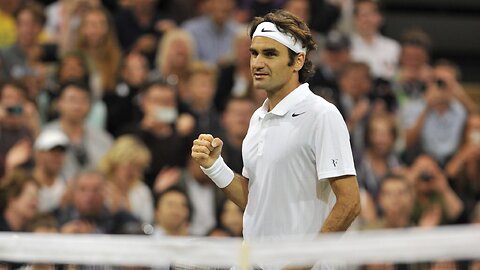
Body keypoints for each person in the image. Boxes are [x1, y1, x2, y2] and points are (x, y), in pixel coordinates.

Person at [191, 10, 360, 244]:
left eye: (270, 54)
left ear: (298, 61)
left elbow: (350, 203)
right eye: (254, 53)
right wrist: (215, 167)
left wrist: (302, 262)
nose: (257, 63)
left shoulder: (322, 115)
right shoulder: (258, 117)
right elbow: (257, 200)